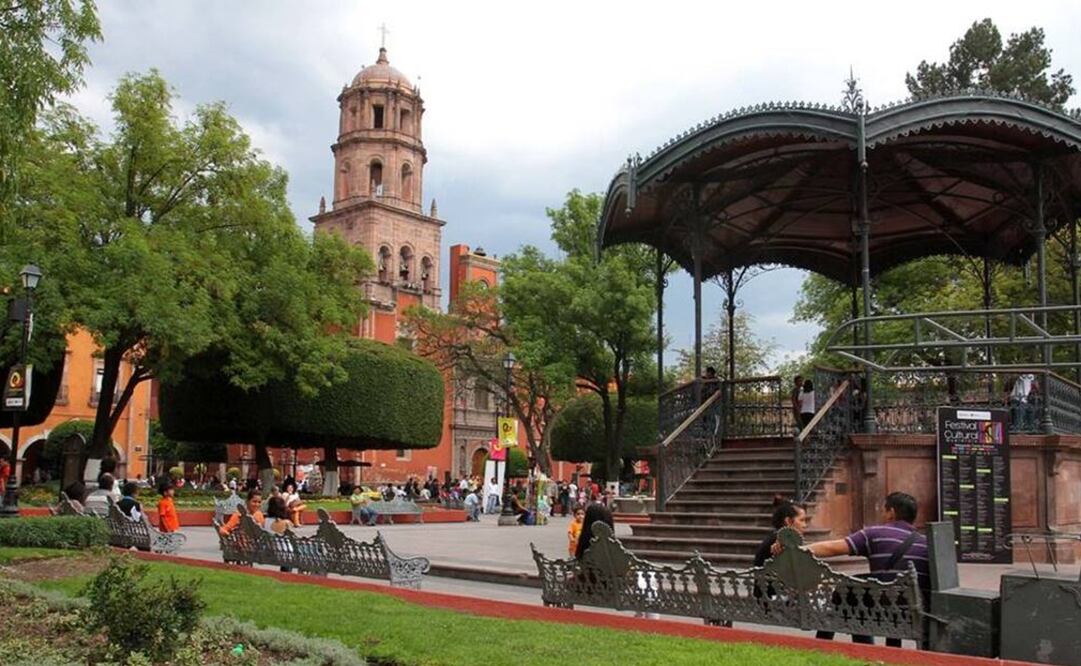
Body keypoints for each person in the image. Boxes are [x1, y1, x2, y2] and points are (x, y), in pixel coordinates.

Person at [776, 491, 929, 648]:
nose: (882, 514)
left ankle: (839, 645)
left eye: (884, 510)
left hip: (883, 609)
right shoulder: (926, 543)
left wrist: (797, 550)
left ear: (891, 512)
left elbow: (832, 548)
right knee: (866, 592)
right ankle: (890, 650)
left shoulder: (875, 534)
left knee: (851, 594)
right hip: (917, 612)